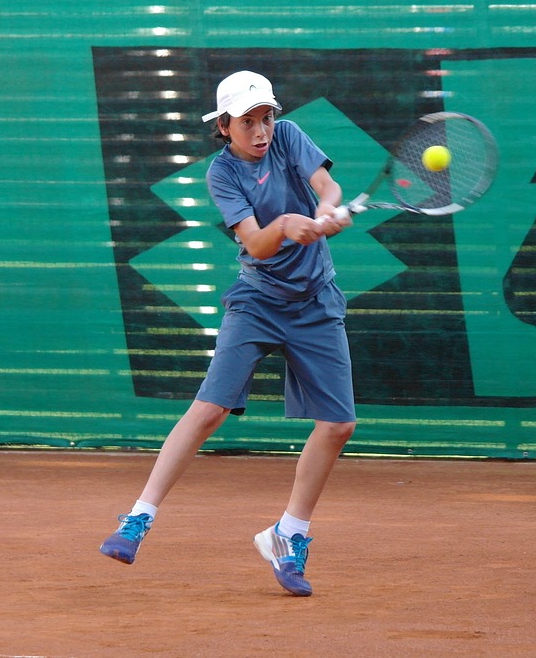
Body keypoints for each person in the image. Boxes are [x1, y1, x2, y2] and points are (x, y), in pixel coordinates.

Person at [99, 69, 356, 597]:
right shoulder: (222, 174)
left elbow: (326, 185)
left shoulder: (289, 137)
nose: (260, 131)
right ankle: (138, 517)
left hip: (316, 301)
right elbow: (257, 244)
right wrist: (286, 225)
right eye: (247, 122)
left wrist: (327, 207)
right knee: (210, 409)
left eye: (266, 118)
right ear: (223, 126)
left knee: (338, 425)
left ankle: (288, 534)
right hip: (257, 302)